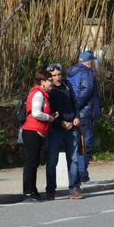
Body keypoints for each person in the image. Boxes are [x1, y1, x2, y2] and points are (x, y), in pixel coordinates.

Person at [45, 63, 82, 198]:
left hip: (71, 127)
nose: (57, 78)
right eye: (54, 76)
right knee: (52, 161)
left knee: (73, 159)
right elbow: (47, 112)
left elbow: (75, 103)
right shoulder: (49, 90)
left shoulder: (67, 85)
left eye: (59, 74)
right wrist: (61, 123)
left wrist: (77, 117)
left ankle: (74, 188)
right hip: (55, 129)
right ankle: (50, 190)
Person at [21, 70, 57, 201]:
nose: (51, 83)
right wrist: (50, 118)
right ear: (42, 82)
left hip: (36, 131)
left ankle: (33, 190)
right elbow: (36, 113)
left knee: (34, 162)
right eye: (49, 80)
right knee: (31, 163)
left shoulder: (41, 94)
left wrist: (49, 117)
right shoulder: (38, 94)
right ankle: (28, 193)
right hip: (32, 131)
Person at [66, 51, 101, 184]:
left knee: (76, 145)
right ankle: (83, 176)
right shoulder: (87, 73)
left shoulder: (71, 73)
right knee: (85, 145)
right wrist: (77, 108)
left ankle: (75, 175)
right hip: (85, 113)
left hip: (74, 114)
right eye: (91, 61)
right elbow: (86, 91)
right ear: (89, 61)